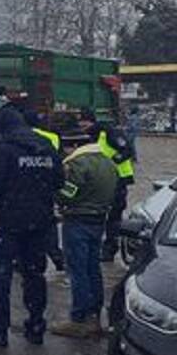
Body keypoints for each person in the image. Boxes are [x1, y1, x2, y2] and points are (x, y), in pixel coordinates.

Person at [0, 109, 64, 347]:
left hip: (9, 223)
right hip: (40, 222)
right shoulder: (46, 147)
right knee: (34, 274)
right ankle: (35, 325)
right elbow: (60, 181)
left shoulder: (4, 150)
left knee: (0, 277)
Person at [51, 137, 118, 338]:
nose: (65, 153)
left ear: (75, 146)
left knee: (77, 270)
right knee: (92, 268)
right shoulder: (108, 162)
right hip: (98, 220)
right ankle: (94, 316)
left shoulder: (78, 163)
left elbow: (68, 193)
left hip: (77, 219)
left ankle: (79, 318)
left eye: (66, 148)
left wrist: (55, 193)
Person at [76, 109, 134, 262]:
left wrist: (111, 164)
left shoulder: (109, 133)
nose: (82, 126)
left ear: (91, 122)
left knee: (113, 217)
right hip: (101, 183)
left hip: (118, 180)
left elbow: (127, 150)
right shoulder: (88, 137)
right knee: (99, 215)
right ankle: (100, 247)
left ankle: (110, 249)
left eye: (84, 123)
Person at [23, 110, 65, 272]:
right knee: (49, 223)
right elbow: (60, 162)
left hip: (25, 189)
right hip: (47, 187)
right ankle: (56, 257)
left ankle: (24, 260)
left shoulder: (16, 139)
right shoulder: (52, 137)